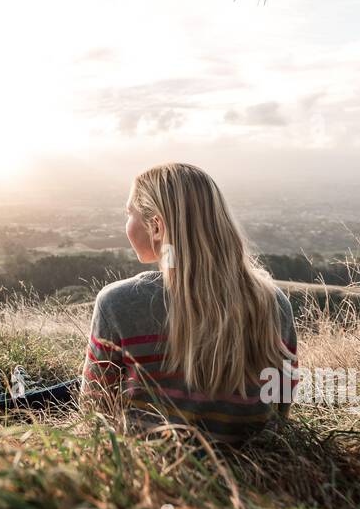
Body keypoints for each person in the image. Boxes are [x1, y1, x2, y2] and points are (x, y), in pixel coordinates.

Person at [81, 162, 298, 442]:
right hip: (254, 463)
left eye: (129, 214)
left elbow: (95, 406)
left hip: (153, 468)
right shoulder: (273, 301)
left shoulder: (118, 303)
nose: (127, 223)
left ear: (156, 227)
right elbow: (282, 401)